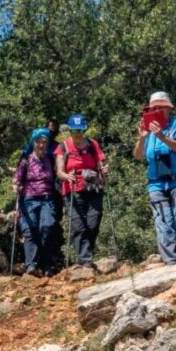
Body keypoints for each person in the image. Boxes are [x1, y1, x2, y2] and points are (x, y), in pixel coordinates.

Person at [132, 91, 176, 263]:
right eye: (152, 108)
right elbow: (138, 156)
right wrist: (141, 138)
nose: (156, 111)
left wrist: (162, 136)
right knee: (163, 224)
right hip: (156, 183)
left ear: (168, 108)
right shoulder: (148, 131)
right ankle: (171, 262)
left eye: (160, 107)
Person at [55, 114, 107, 266]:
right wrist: (66, 176)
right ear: (69, 131)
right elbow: (59, 172)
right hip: (73, 188)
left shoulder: (92, 145)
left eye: (80, 130)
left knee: (93, 222)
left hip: (93, 187)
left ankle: (86, 255)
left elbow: (101, 164)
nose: (77, 134)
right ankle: (85, 260)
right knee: (78, 225)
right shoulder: (62, 147)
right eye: (74, 131)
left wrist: (104, 169)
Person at [13, 128, 62, 276]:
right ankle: (31, 266)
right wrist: (15, 186)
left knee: (47, 227)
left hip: (47, 198)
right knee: (30, 231)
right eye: (38, 142)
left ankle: (46, 264)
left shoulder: (50, 159)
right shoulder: (26, 160)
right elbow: (17, 178)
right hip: (28, 199)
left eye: (44, 142)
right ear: (33, 143)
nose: (41, 145)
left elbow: (57, 174)